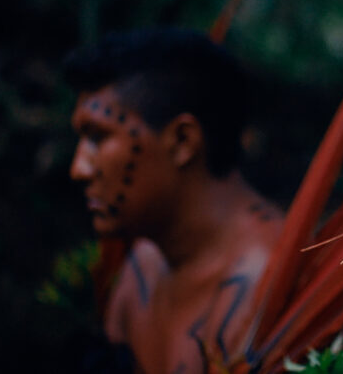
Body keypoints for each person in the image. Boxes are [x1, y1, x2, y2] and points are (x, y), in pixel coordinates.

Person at [65, 29, 283, 373]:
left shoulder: (265, 287)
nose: (79, 169)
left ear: (182, 141)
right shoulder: (143, 265)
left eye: (97, 137)